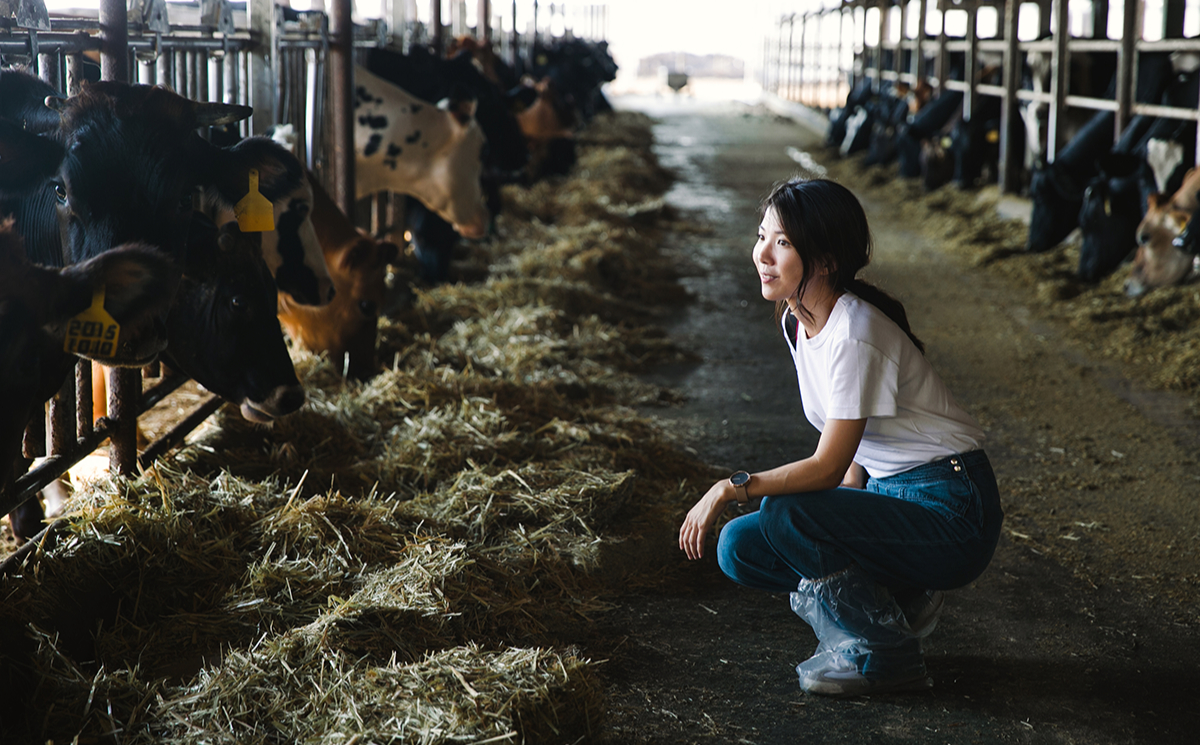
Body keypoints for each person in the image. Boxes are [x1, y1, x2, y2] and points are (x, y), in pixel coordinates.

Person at [678, 178, 1003, 697]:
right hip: (887, 497)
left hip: (952, 509)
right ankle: (894, 602)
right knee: (739, 545)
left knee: (788, 513)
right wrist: (835, 526)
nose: (762, 253)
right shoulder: (798, 321)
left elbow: (828, 467)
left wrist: (731, 487)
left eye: (782, 242)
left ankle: (889, 653)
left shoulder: (855, 332)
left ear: (825, 261)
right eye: (763, 235)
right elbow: (852, 462)